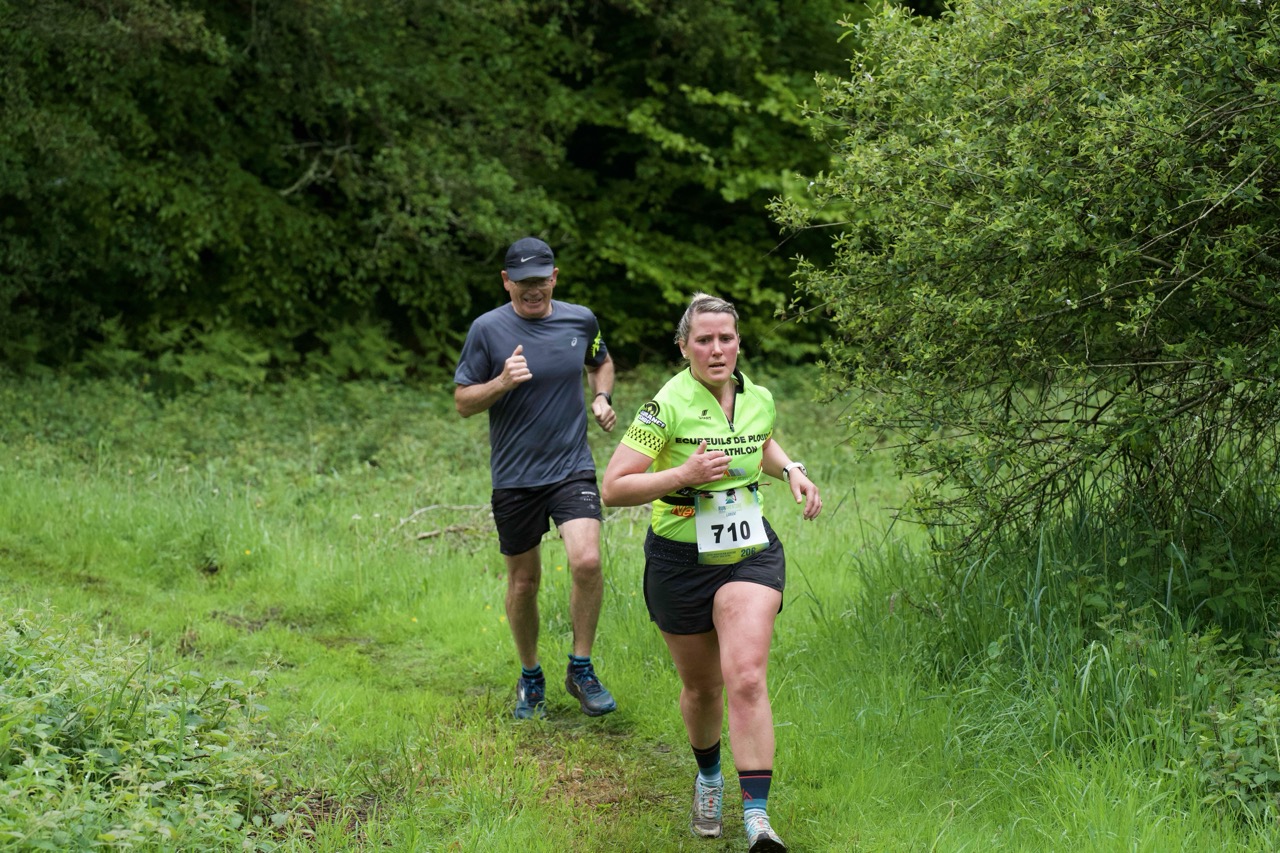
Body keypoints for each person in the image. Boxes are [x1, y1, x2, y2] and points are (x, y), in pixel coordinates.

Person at [601, 293, 821, 853]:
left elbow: (759, 442)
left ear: (738, 342)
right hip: (679, 562)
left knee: (745, 676)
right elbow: (614, 487)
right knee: (703, 689)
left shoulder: (758, 397)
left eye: (726, 338)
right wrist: (684, 474)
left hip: (749, 553)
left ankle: (757, 819)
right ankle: (709, 776)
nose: (716, 349)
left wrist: (791, 470)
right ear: (684, 347)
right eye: (704, 340)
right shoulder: (664, 407)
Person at [454, 236, 618, 720]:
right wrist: (501, 382)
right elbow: (463, 402)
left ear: (554, 277)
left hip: (571, 467)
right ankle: (530, 676)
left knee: (587, 561)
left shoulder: (580, 320)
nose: (533, 289)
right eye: (523, 281)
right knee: (524, 583)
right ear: (506, 281)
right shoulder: (487, 330)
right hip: (515, 477)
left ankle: (581, 668)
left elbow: (601, 362)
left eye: (541, 280)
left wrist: (602, 397)